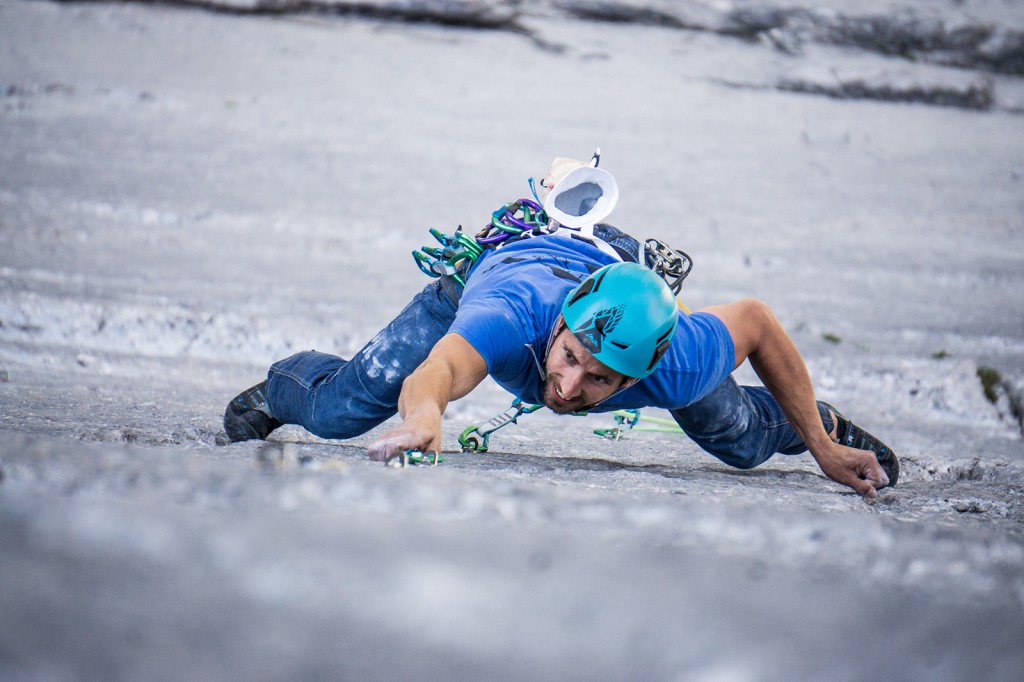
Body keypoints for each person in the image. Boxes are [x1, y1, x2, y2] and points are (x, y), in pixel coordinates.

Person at [224, 154, 899, 498]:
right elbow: (441, 369)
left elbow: (755, 322)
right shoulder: (510, 316)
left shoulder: (675, 357)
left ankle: (826, 421)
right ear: (560, 330)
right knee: (343, 408)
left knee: (743, 443)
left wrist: (819, 445)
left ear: (638, 374)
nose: (568, 387)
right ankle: (271, 391)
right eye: (569, 357)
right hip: (502, 266)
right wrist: (426, 414)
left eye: (598, 379)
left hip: (616, 268)